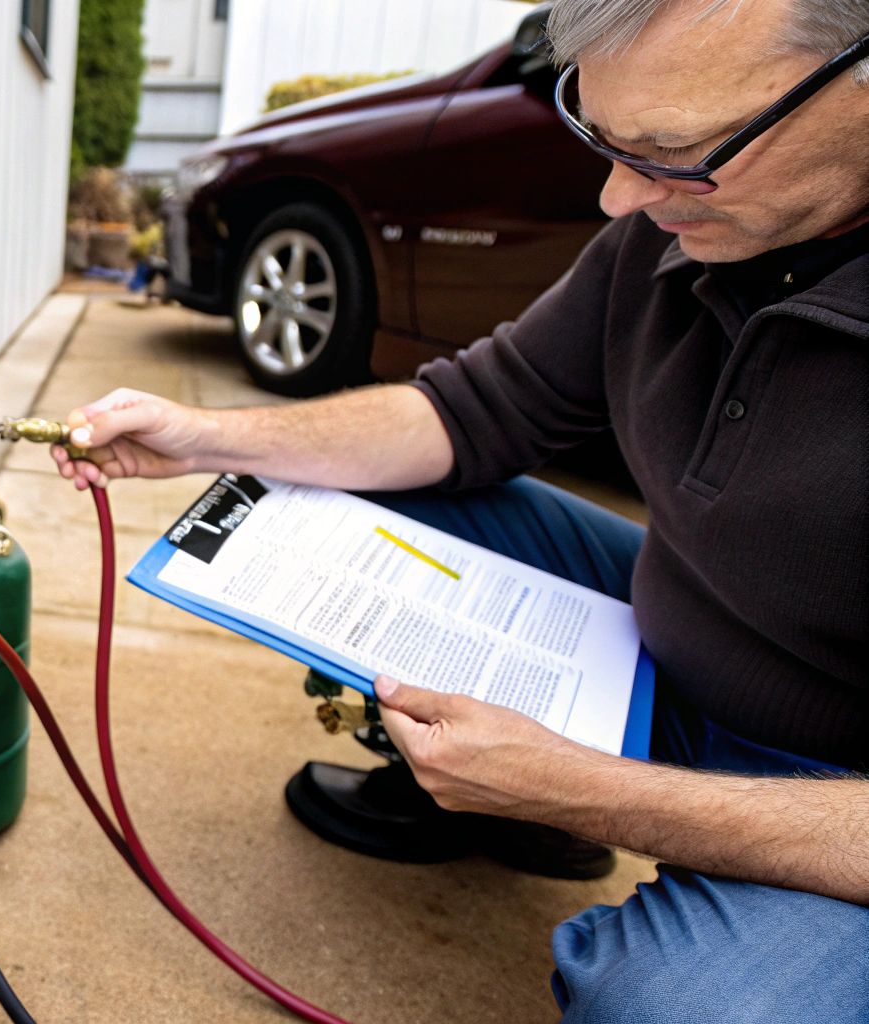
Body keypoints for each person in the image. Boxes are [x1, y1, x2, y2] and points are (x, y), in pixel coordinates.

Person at [53, 0, 869, 1019]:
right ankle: (496, 809)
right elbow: (470, 412)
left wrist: (587, 787)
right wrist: (205, 435)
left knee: (663, 1006)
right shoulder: (670, 226)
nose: (618, 197)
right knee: (320, 515)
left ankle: (547, 805)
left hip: (835, 791)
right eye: (602, 137)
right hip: (678, 629)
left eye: (672, 151)